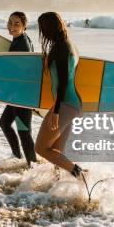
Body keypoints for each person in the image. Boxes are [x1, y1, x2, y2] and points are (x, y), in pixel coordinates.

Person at [35, 12, 84, 178]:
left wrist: (55, 112)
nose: (41, 32)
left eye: (42, 28)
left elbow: (63, 82)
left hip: (65, 105)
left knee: (41, 148)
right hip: (71, 104)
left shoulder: (62, 48)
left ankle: (81, 174)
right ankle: (59, 187)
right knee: (56, 152)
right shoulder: (68, 45)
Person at [0, 11, 37, 167]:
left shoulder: (23, 44)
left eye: (16, 24)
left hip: (22, 96)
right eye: (10, 23)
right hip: (16, 95)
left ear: (24, 26)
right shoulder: (19, 40)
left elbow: (25, 70)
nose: (12, 26)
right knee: (5, 123)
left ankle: (33, 166)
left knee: (23, 131)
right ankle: (17, 157)